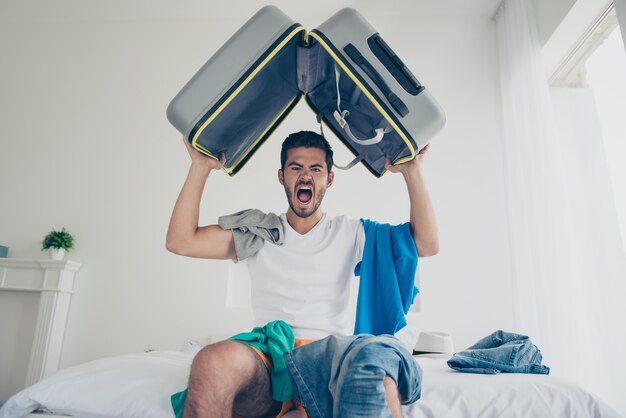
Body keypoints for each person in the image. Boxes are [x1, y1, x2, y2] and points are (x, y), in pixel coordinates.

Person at [166, 130, 439, 418]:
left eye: (316, 169)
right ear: (282, 177)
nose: (305, 175)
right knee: (211, 361)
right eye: (296, 168)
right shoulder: (259, 233)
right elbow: (181, 241)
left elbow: (426, 244)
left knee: (380, 375)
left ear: (329, 179)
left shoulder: (351, 232)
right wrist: (200, 166)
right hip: (269, 358)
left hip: (330, 359)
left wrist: (412, 171)